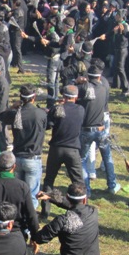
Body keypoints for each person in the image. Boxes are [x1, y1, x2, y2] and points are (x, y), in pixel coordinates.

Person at [0, 85, 48, 208]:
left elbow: (1, 116)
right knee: (32, 195)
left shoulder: (15, 114)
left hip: (17, 158)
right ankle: (29, 222)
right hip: (33, 157)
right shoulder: (40, 113)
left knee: (17, 193)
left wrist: (12, 106)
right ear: (34, 98)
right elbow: (47, 126)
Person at [78, 59, 121, 195]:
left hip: (86, 130)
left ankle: (87, 189)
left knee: (82, 160)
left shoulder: (84, 88)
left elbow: (68, 91)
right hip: (101, 129)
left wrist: (77, 82)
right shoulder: (104, 87)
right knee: (107, 157)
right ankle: (112, 185)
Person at [41, 84, 84, 218]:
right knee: (78, 182)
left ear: (63, 96)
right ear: (76, 97)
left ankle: (45, 211)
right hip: (73, 149)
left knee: (49, 180)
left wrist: (50, 111)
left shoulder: (57, 109)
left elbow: (48, 125)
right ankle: (81, 210)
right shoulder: (81, 109)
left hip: (56, 149)